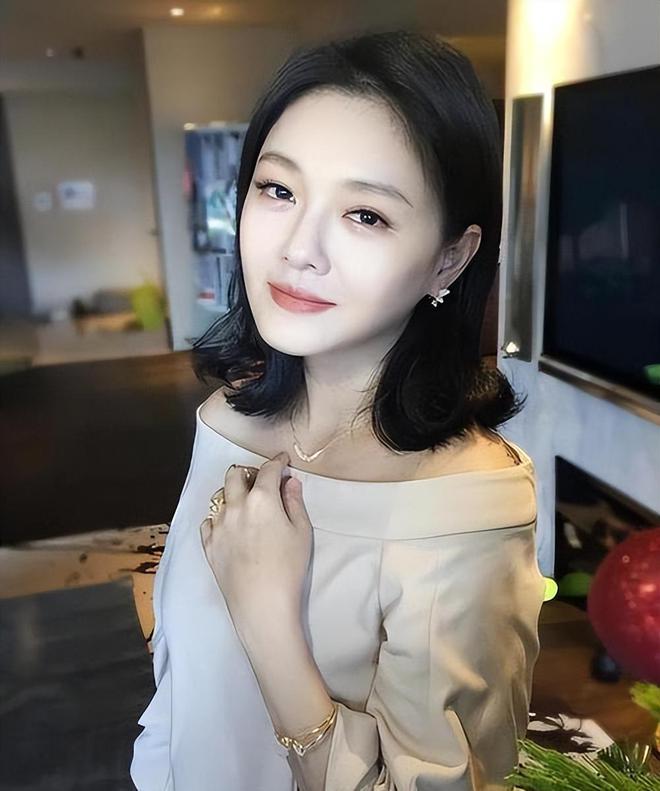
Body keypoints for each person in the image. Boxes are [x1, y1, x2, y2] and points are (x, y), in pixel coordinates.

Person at [131, 29, 546, 791]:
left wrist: (267, 620)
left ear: (449, 258)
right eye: (278, 190)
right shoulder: (227, 423)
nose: (298, 248)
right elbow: (183, 690)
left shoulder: (463, 507)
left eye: (366, 215)